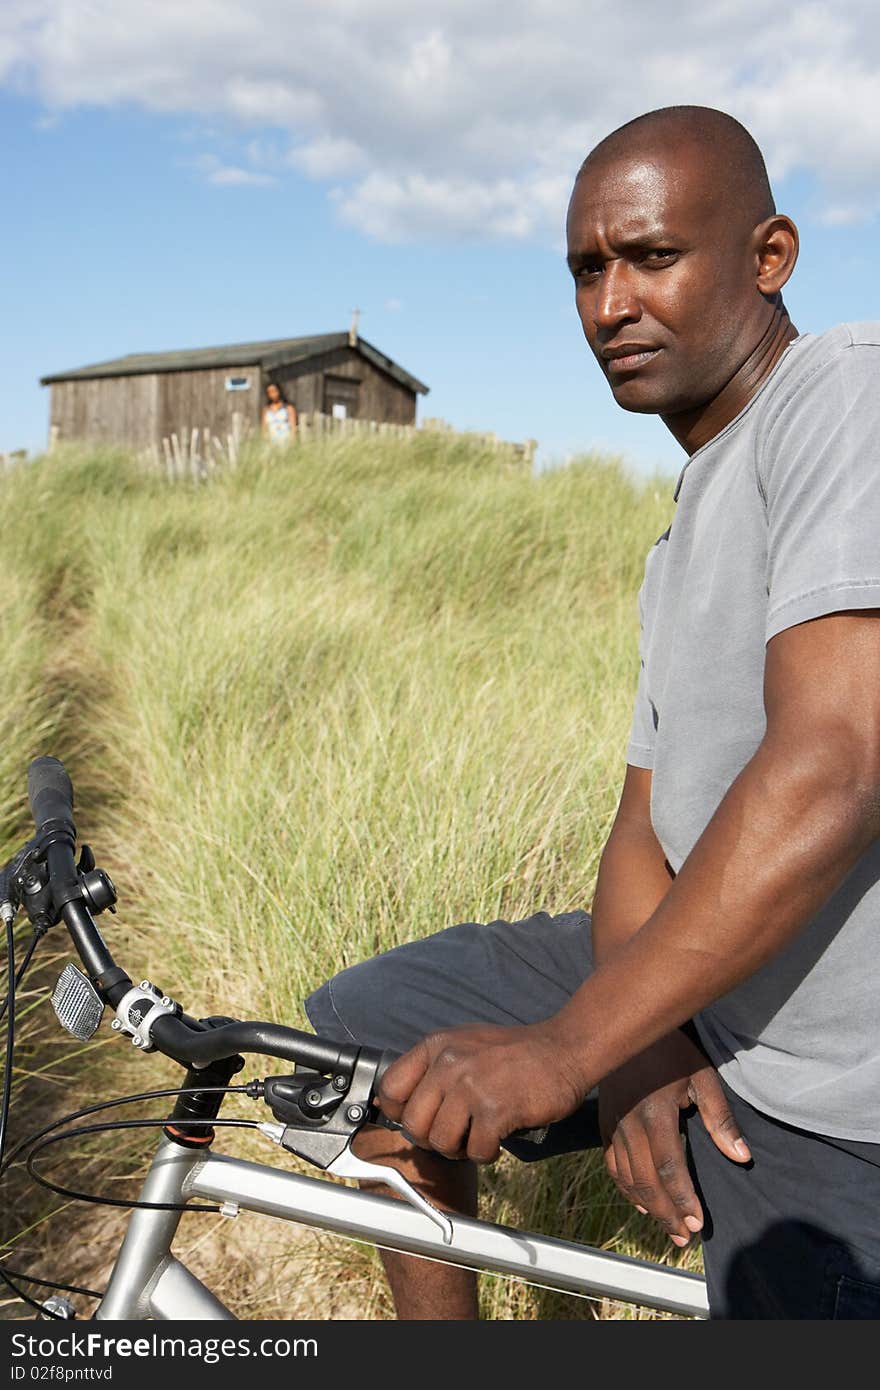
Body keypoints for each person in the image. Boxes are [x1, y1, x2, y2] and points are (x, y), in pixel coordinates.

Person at [305, 105, 880, 1320]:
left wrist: (573, 1047)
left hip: (828, 1084)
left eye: (652, 257)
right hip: (705, 992)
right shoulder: (677, 540)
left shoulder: (843, 393)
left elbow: (836, 756)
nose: (609, 303)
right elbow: (642, 828)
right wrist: (637, 1042)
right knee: (364, 1039)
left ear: (768, 258)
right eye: (586, 268)